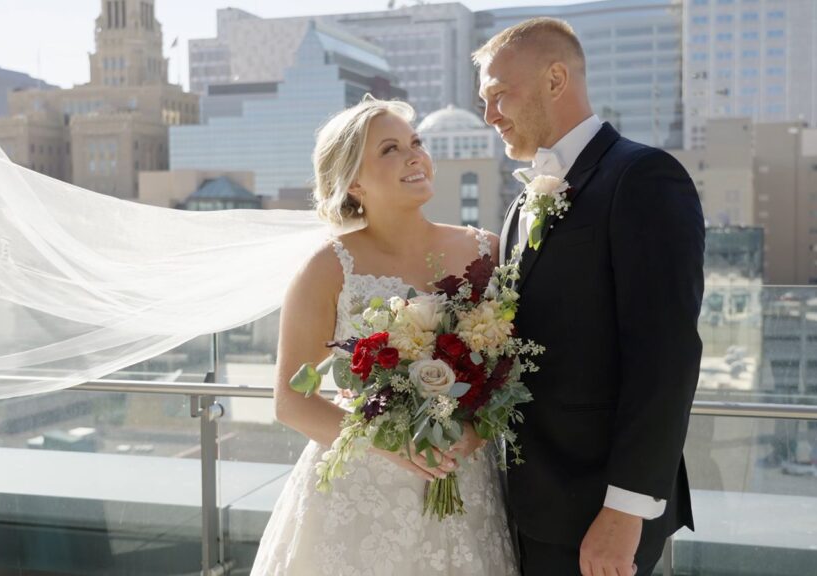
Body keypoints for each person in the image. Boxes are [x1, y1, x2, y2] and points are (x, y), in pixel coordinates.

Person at [474, 18, 705, 576]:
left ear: (556, 79)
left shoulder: (643, 177)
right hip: (525, 503)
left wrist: (625, 512)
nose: (490, 115)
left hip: (599, 513)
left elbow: (665, 359)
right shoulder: (517, 204)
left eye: (499, 94)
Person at [250, 97, 517, 575]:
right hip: (359, 494)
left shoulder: (486, 250)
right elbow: (291, 402)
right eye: (391, 149)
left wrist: (474, 434)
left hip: (465, 482)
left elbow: (511, 370)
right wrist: (391, 444)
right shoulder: (327, 268)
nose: (415, 156)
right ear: (353, 181)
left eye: (416, 143)